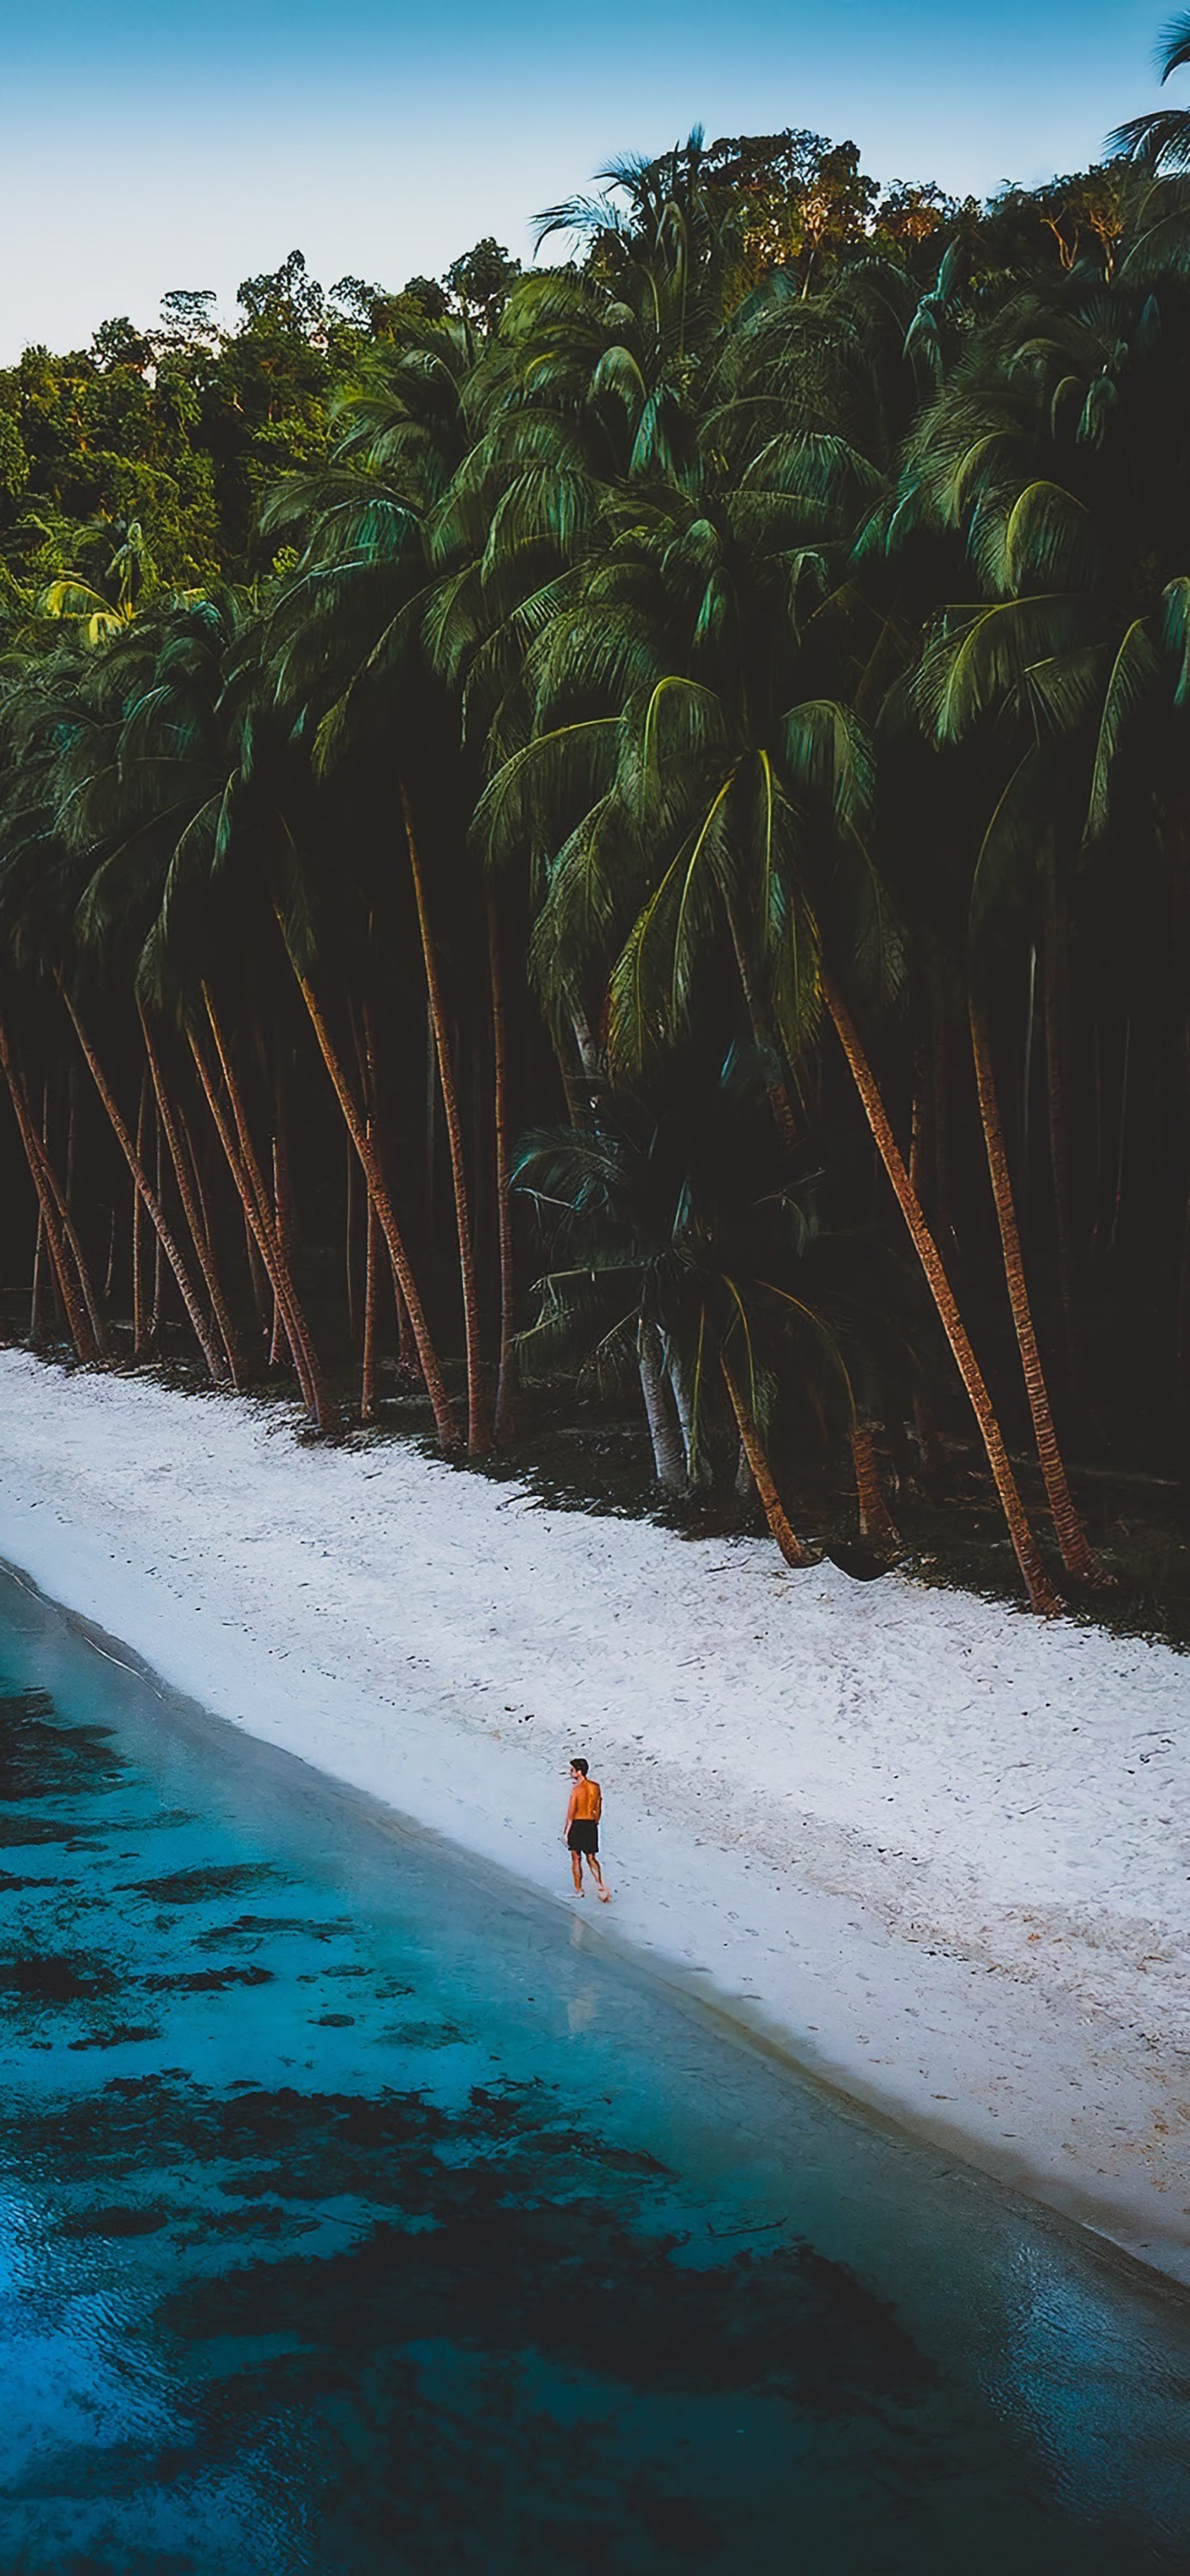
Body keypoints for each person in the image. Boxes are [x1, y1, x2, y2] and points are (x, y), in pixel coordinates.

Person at [563, 1758, 610, 1901]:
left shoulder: (577, 1790)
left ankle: (578, 1890)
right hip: (591, 1824)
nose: (570, 1773)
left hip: (578, 1824)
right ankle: (601, 1886)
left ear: (579, 1772)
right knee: (591, 1857)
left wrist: (566, 1833)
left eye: (572, 1770)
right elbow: (598, 1807)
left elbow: (571, 1814)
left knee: (576, 1858)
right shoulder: (595, 1787)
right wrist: (595, 1822)